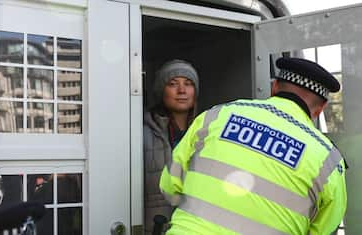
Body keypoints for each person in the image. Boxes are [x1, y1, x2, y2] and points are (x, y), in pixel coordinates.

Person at [160, 57, 347, 235]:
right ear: (321, 108)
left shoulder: (216, 116)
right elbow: (323, 228)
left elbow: (169, 184)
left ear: (274, 88)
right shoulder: (328, 161)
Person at [144, 59, 199, 234]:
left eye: (188, 84)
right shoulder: (142, 133)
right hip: (155, 228)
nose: (182, 90)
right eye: (173, 84)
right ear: (161, 91)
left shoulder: (207, 130)